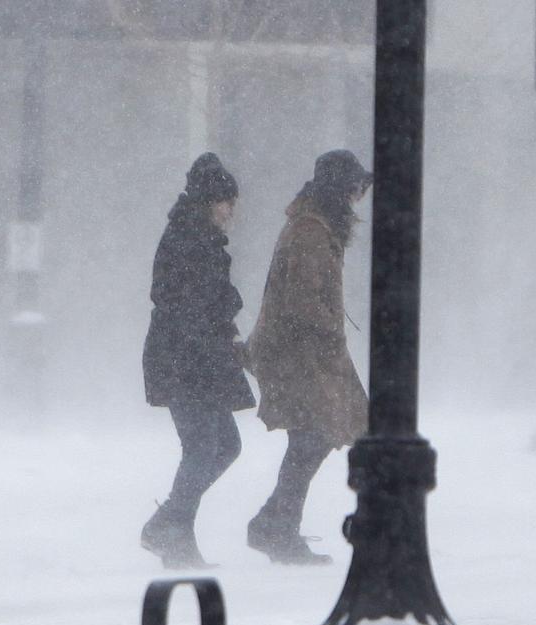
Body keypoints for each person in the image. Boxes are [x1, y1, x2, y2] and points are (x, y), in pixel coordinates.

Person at [244, 149, 373, 565]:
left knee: (312, 435)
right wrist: (331, 329)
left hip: (302, 351)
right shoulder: (311, 233)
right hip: (300, 354)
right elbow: (302, 300)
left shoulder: (314, 227)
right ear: (340, 190)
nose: (359, 198)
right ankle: (275, 525)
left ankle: (276, 523)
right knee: (315, 433)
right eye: (355, 188)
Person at [141, 152, 254, 569]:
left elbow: (207, 301)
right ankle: (173, 534)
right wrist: (211, 337)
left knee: (222, 446)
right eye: (226, 202)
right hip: (185, 360)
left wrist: (225, 337)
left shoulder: (199, 237)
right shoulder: (188, 238)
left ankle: (169, 525)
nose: (230, 210)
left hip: (197, 357)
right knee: (204, 448)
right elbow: (183, 302)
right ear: (208, 200)